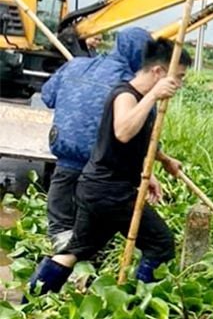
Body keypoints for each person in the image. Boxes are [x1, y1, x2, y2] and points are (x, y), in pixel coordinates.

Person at [27, 39, 189, 295]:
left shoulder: (139, 97)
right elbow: (124, 131)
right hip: (111, 192)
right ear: (158, 72)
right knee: (161, 243)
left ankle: (31, 299)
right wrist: (154, 96)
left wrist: (163, 161)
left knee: (76, 250)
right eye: (178, 77)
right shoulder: (125, 95)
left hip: (97, 189)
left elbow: (136, 142)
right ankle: (140, 305)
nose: (179, 84)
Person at [41, 27, 152, 251]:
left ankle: (51, 275)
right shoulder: (132, 87)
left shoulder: (75, 65)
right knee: (90, 238)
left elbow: (47, 96)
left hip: (64, 164)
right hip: (101, 176)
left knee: (61, 230)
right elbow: (140, 132)